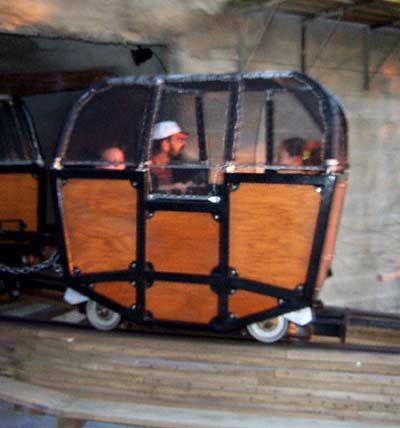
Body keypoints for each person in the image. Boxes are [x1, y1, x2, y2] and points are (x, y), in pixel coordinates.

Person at [150, 120, 189, 188]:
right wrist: (172, 187)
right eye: (179, 140)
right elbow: (147, 189)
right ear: (165, 144)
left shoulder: (171, 166)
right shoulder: (147, 167)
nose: (184, 143)